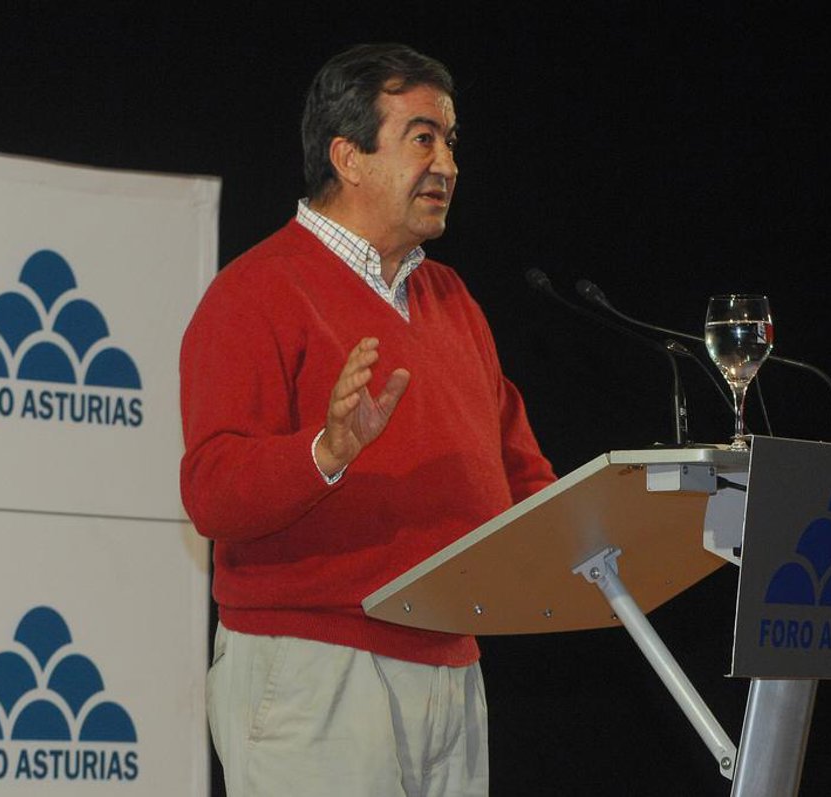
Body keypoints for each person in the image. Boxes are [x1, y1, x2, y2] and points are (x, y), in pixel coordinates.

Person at [179, 42, 555, 797]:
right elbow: (212, 491)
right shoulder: (255, 291)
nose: (447, 163)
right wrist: (326, 451)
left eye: (450, 141)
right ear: (348, 156)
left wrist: (609, 527)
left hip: (453, 665)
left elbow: (521, 477)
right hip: (317, 667)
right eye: (423, 138)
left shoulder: (453, 300)